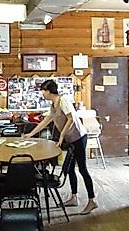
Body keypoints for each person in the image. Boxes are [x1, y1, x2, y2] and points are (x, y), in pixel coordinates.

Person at [24, 79, 98, 215]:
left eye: (43, 90)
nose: (42, 93)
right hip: (71, 139)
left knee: (82, 169)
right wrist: (31, 134)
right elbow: (46, 121)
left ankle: (92, 200)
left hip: (79, 138)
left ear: (48, 91)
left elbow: (70, 119)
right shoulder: (53, 105)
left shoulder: (63, 100)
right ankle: (74, 197)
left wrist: (62, 137)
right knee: (69, 169)